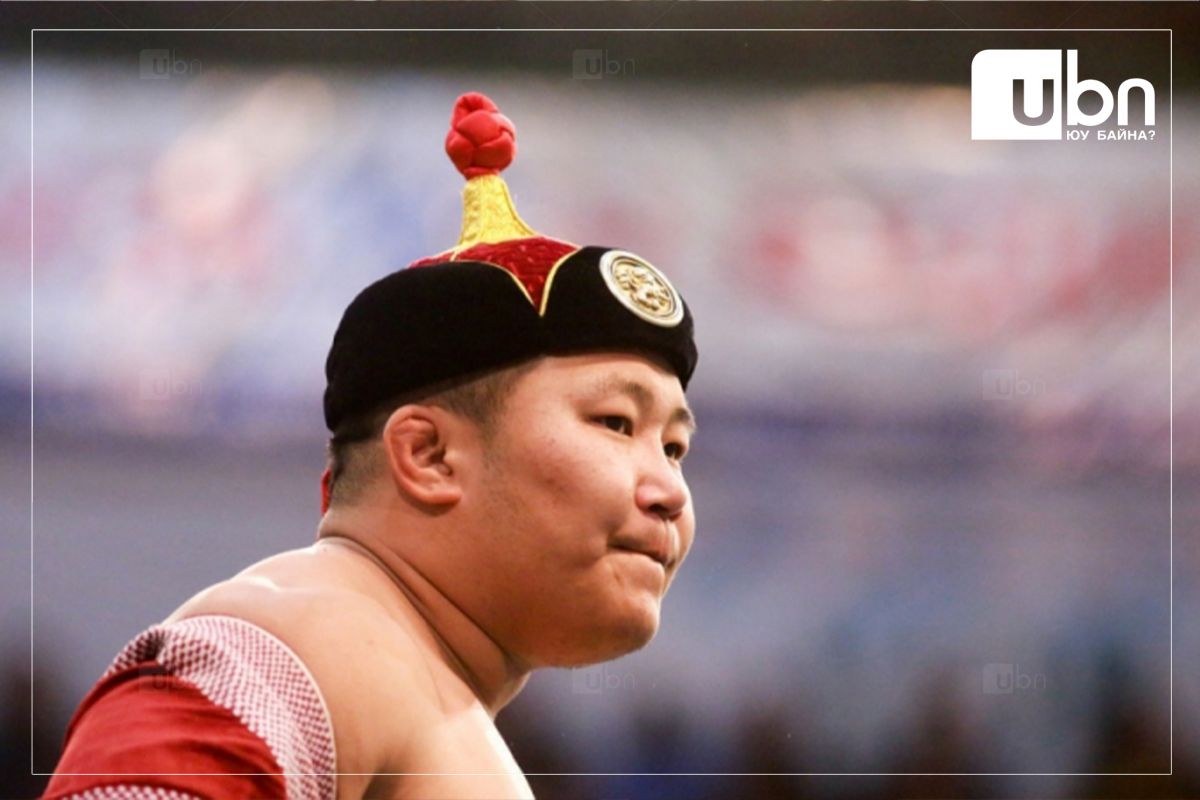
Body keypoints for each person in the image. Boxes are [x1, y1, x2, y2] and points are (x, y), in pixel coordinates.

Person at [44, 91, 699, 800]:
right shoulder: (304, 635)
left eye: (673, 448)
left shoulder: (407, 679)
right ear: (429, 456)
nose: (670, 492)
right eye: (615, 423)